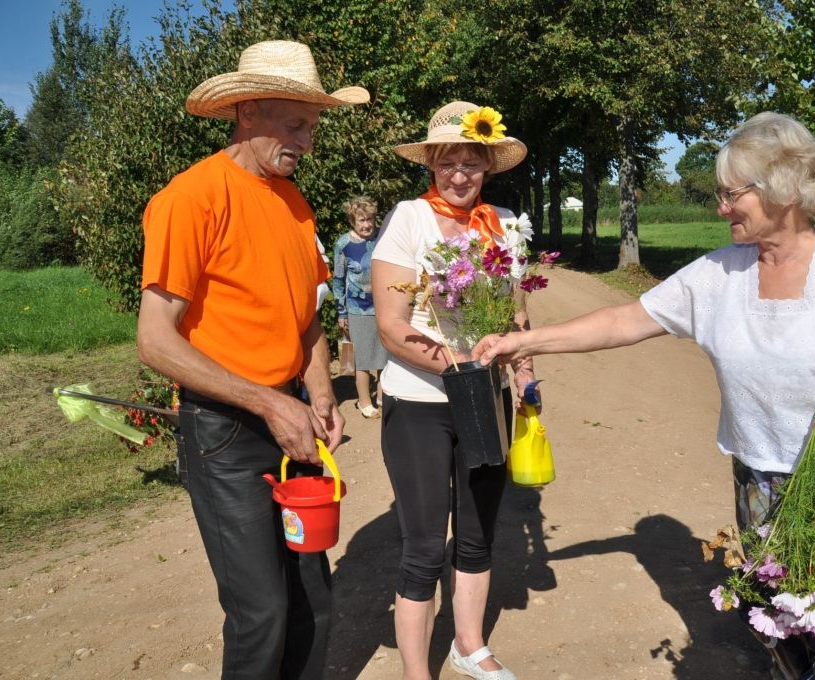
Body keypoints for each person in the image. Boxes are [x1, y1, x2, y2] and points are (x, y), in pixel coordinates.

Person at [472, 112, 815, 679]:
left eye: (731, 194)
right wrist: (524, 340)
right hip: (759, 477)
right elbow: (626, 320)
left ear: (784, 189)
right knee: (782, 617)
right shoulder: (718, 273)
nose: (720, 208)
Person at [136, 40, 368, 680]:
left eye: (313, 127)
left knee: (314, 601)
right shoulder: (192, 197)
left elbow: (307, 317)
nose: (308, 141)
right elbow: (155, 340)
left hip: (290, 423)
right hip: (225, 434)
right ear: (247, 112)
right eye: (295, 125)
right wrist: (270, 401)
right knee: (261, 610)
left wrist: (319, 394)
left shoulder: (294, 203)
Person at [370, 100, 533, 680]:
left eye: (472, 162)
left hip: (485, 399)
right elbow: (391, 325)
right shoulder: (408, 219)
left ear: (488, 164)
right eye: (448, 162)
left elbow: (516, 315)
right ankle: (419, 672)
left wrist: (524, 372)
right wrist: (456, 365)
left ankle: (468, 645)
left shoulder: (506, 223)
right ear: (432, 164)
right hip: (418, 402)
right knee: (423, 545)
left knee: (478, 533)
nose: (460, 174)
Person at [332, 196, 387, 418]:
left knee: (385, 355)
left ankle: (384, 396)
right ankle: (364, 401)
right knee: (363, 359)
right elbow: (338, 279)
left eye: (370, 219)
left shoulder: (382, 238)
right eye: (361, 220)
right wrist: (341, 311)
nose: (366, 225)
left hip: (383, 306)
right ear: (352, 221)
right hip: (357, 309)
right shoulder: (343, 245)